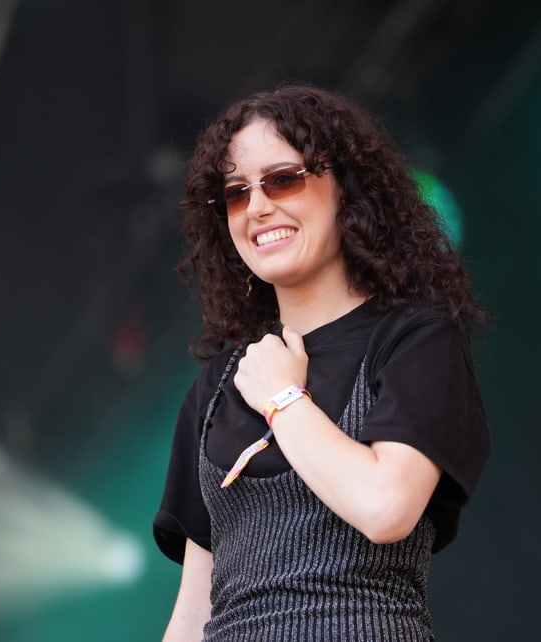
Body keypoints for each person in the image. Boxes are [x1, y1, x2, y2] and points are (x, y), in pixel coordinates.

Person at [153, 84, 490, 641]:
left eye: (283, 178)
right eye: (236, 193)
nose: (258, 205)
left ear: (345, 191)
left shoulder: (416, 339)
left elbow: (386, 509)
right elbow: (192, 611)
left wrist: (285, 400)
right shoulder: (218, 385)